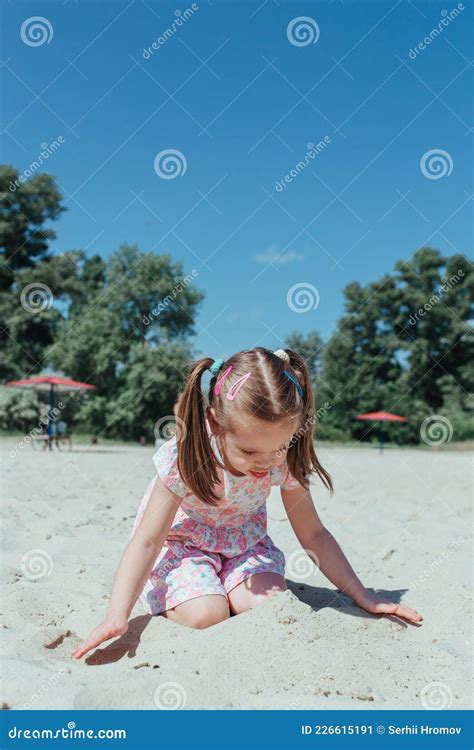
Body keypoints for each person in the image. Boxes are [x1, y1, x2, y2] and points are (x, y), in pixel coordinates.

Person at [72, 347, 422, 659]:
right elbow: (147, 540)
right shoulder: (187, 457)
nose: (267, 462)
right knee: (208, 615)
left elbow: (313, 534)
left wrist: (362, 595)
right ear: (214, 422)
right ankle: (186, 589)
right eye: (250, 451)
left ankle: (224, 582)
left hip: (244, 545)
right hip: (183, 547)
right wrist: (117, 614)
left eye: (280, 447)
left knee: (268, 606)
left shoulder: (283, 459)